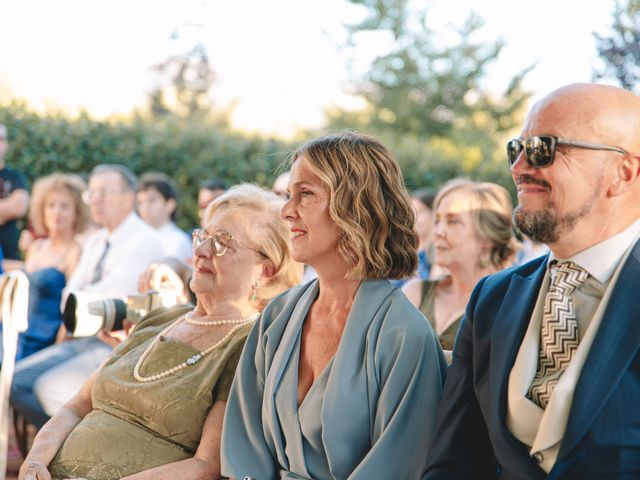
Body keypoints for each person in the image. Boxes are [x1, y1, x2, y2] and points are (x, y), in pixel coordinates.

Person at [424, 83, 640, 479]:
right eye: (516, 149)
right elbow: (454, 458)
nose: (519, 167)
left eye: (544, 148)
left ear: (623, 172)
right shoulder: (493, 299)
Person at [19, 184, 302, 480]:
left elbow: (207, 466)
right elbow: (77, 406)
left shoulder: (248, 345)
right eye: (203, 237)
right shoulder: (159, 320)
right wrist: (35, 462)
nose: (201, 251)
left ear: (265, 270)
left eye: (222, 243)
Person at [221, 132, 447, 479]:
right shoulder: (278, 316)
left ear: (356, 207)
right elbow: (243, 443)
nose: (286, 211)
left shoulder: (405, 337)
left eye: (305, 194)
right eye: (288, 195)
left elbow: (397, 468)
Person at [11, 164, 164, 428]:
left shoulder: (144, 239)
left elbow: (108, 299)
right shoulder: (96, 241)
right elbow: (68, 296)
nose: (95, 200)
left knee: (48, 389)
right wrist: (83, 298)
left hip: (115, 345)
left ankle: (71, 446)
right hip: (80, 338)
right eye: (91, 193)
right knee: (14, 381)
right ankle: (59, 444)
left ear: (128, 198)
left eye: (104, 193)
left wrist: (83, 297)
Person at [403, 180, 517, 357]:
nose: (438, 232)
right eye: (438, 220)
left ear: (488, 237)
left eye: (453, 222)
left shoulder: (509, 304)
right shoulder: (415, 292)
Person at [17, 173, 90, 360]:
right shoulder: (36, 247)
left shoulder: (75, 252)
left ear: (77, 212)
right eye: (51, 205)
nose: (56, 212)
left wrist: (59, 348)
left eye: (64, 206)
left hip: (45, 340)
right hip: (15, 333)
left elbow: (75, 306)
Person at [136, 172, 192, 264]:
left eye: (151, 200)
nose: (145, 207)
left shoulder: (177, 242)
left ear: (170, 205)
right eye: (140, 202)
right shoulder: (137, 239)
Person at [0, 122, 30, 261]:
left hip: (10, 260)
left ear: (6, 144)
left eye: (1, 139)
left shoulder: (16, 177)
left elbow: (19, 207)